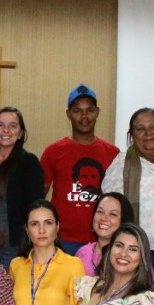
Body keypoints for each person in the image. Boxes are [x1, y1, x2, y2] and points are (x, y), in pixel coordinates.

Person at [102, 107, 154, 291]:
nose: (148, 133)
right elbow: (111, 208)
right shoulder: (122, 164)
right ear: (131, 135)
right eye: (141, 129)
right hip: (139, 253)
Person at [40, 85, 120, 254]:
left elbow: (120, 200)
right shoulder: (53, 152)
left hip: (102, 242)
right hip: (62, 241)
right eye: (77, 110)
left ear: (97, 112)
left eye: (90, 110)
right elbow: (39, 198)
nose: (84, 116)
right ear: (68, 114)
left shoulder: (114, 154)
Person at [0, 106, 45, 269]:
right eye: (0, 125)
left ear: (21, 133)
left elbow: (35, 208)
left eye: (13, 126)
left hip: (12, 248)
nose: (6, 130)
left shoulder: (28, 162)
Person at [75, 191, 134, 276]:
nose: (103, 218)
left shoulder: (131, 256)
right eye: (100, 211)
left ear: (124, 220)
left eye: (113, 214)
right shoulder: (82, 252)